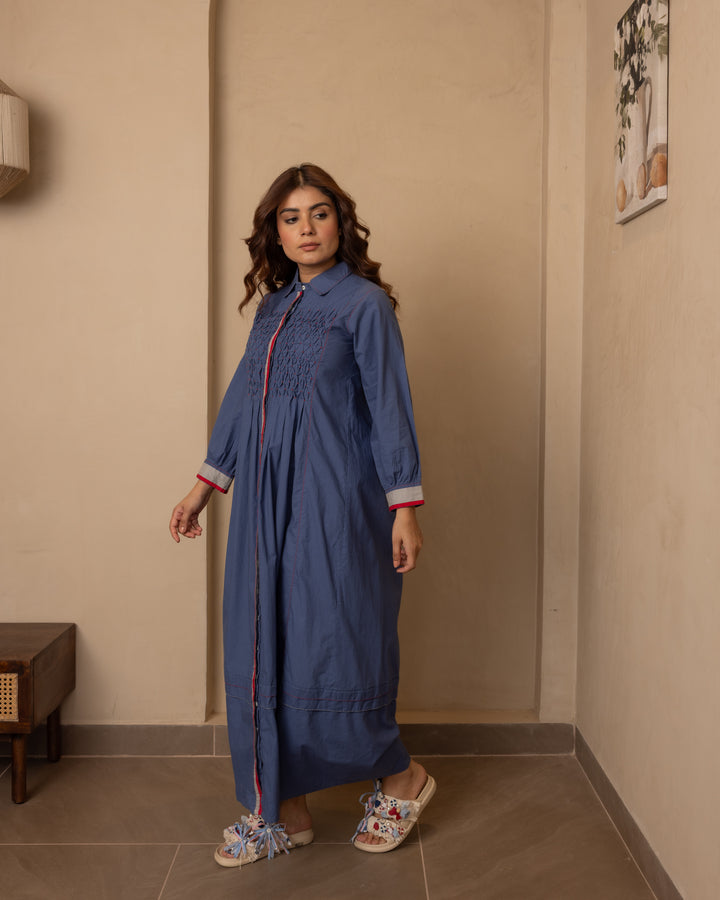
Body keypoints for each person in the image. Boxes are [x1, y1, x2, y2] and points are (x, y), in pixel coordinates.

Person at [169, 163, 435, 867]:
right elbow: (240, 402)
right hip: (262, 503)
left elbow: (390, 408)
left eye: (319, 213)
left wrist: (404, 508)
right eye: (291, 218)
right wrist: (201, 489)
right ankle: (285, 808)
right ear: (276, 234)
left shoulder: (365, 306)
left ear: (340, 224)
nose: (306, 228)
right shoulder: (272, 310)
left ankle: (401, 777)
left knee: (336, 637)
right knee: (267, 639)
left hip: (338, 503)